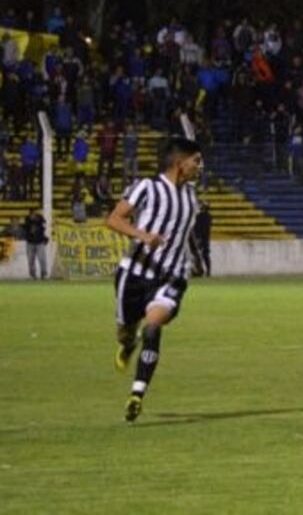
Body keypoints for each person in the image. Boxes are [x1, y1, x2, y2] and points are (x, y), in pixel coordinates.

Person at [106, 137, 205, 422]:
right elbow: (114, 219)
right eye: (195, 161)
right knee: (126, 331)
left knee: (152, 327)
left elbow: (185, 231)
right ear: (179, 163)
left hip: (172, 275)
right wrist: (143, 236)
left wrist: (196, 260)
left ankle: (137, 393)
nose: (199, 166)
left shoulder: (191, 195)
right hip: (135, 274)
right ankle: (127, 344)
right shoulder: (147, 187)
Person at [23, 208, 48, 280]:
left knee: (42, 259)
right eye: (31, 214)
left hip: (39, 242)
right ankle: (33, 275)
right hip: (30, 242)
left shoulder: (40, 219)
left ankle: (43, 273)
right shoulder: (27, 220)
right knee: (31, 259)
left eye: (34, 214)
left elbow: (44, 224)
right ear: (30, 214)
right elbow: (26, 227)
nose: (32, 216)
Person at [193, 201, 213, 277]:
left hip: (200, 237)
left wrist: (198, 237)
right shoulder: (208, 216)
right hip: (205, 238)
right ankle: (206, 271)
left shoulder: (199, 216)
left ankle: (200, 271)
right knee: (204, 254)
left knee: (198, 254)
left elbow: (198, 228)